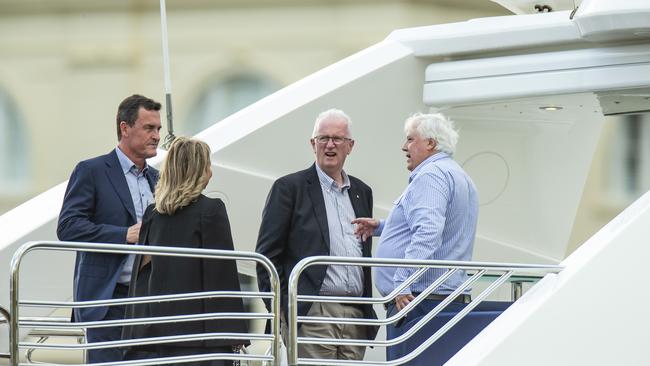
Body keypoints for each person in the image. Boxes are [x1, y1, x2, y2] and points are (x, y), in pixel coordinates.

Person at [353, 112, 479, 362]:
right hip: (438, 300)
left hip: (418, 303)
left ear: (430, 143)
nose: (404, 147)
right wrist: (381, 227)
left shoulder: (431, 176)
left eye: (410, 139)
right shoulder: (457, 174)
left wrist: (402, 282)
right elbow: (436, 227)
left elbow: (428, 232)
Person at [255, 109, 378, 362]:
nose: (330, 145)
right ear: (313, 144)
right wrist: (283, 311)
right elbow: (266, 257)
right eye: (323, 138)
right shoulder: (289, 188)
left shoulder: (362, 191)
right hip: (311, 314)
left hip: (355, 316)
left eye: (337, 139)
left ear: (350, 146)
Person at [122, 137, 248, 366]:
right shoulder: (212, 210)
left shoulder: (153, 214)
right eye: (207, 166)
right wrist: (233, 333)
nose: (211, 173)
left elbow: (142, 275)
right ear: (198, 171)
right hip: (200, 339)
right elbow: (222, 276)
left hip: (158, 336)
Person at [57, 94, 162, 363]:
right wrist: (123, 235)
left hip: (148, 303)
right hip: (108, 301)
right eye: (149, 128)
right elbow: (68, 227)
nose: (157, 136)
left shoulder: (158, 179)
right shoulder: (91, 171)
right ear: (125, 128)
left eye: (158, 129)